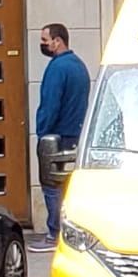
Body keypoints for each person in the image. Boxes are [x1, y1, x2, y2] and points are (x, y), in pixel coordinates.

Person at [32, 23, 90, 252]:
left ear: (58, 41)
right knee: (68, 188)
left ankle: (54, 234)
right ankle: (69, 233)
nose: (42, 44)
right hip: (75, 135)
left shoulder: (57, 68)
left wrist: (42, 131)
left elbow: (50, 105)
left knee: (52, 186)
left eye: (45, 40)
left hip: (56, 138)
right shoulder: (78, 66)